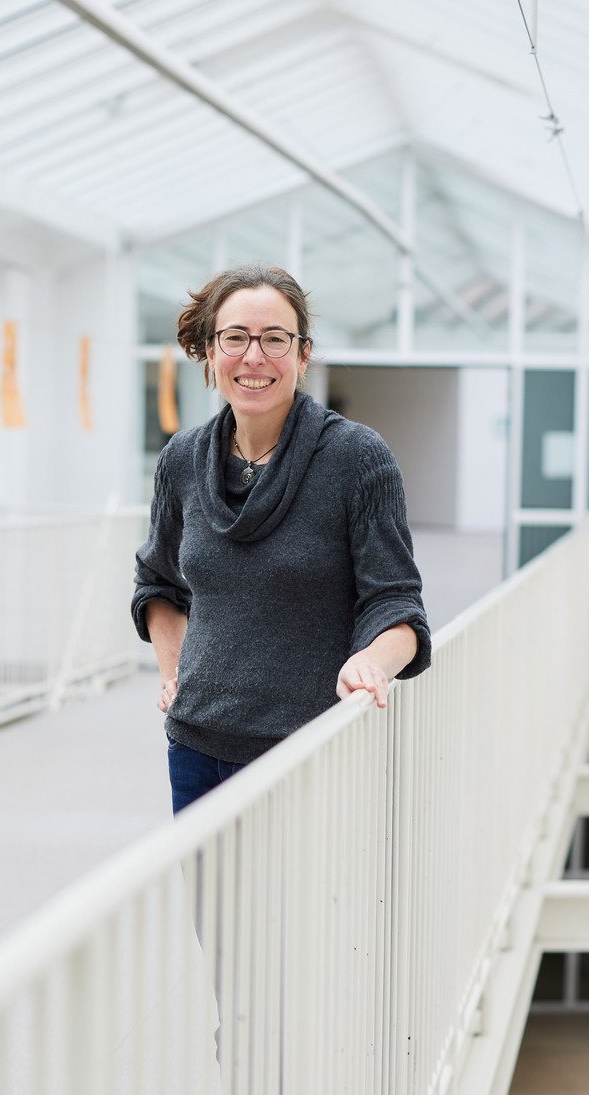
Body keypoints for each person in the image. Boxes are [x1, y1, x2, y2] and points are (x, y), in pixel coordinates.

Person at [132, 262, 431, 805]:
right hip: (196, 749)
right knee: (212, 895)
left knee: (303, 895)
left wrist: (372, 663)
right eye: (235, 338)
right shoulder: (181, 460)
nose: (254, 357)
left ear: (303, 353)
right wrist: (176, 674)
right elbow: (156, 583)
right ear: (209, 350)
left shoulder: (356, 459)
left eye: (274, 338)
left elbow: (398, 607)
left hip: (311, 750)